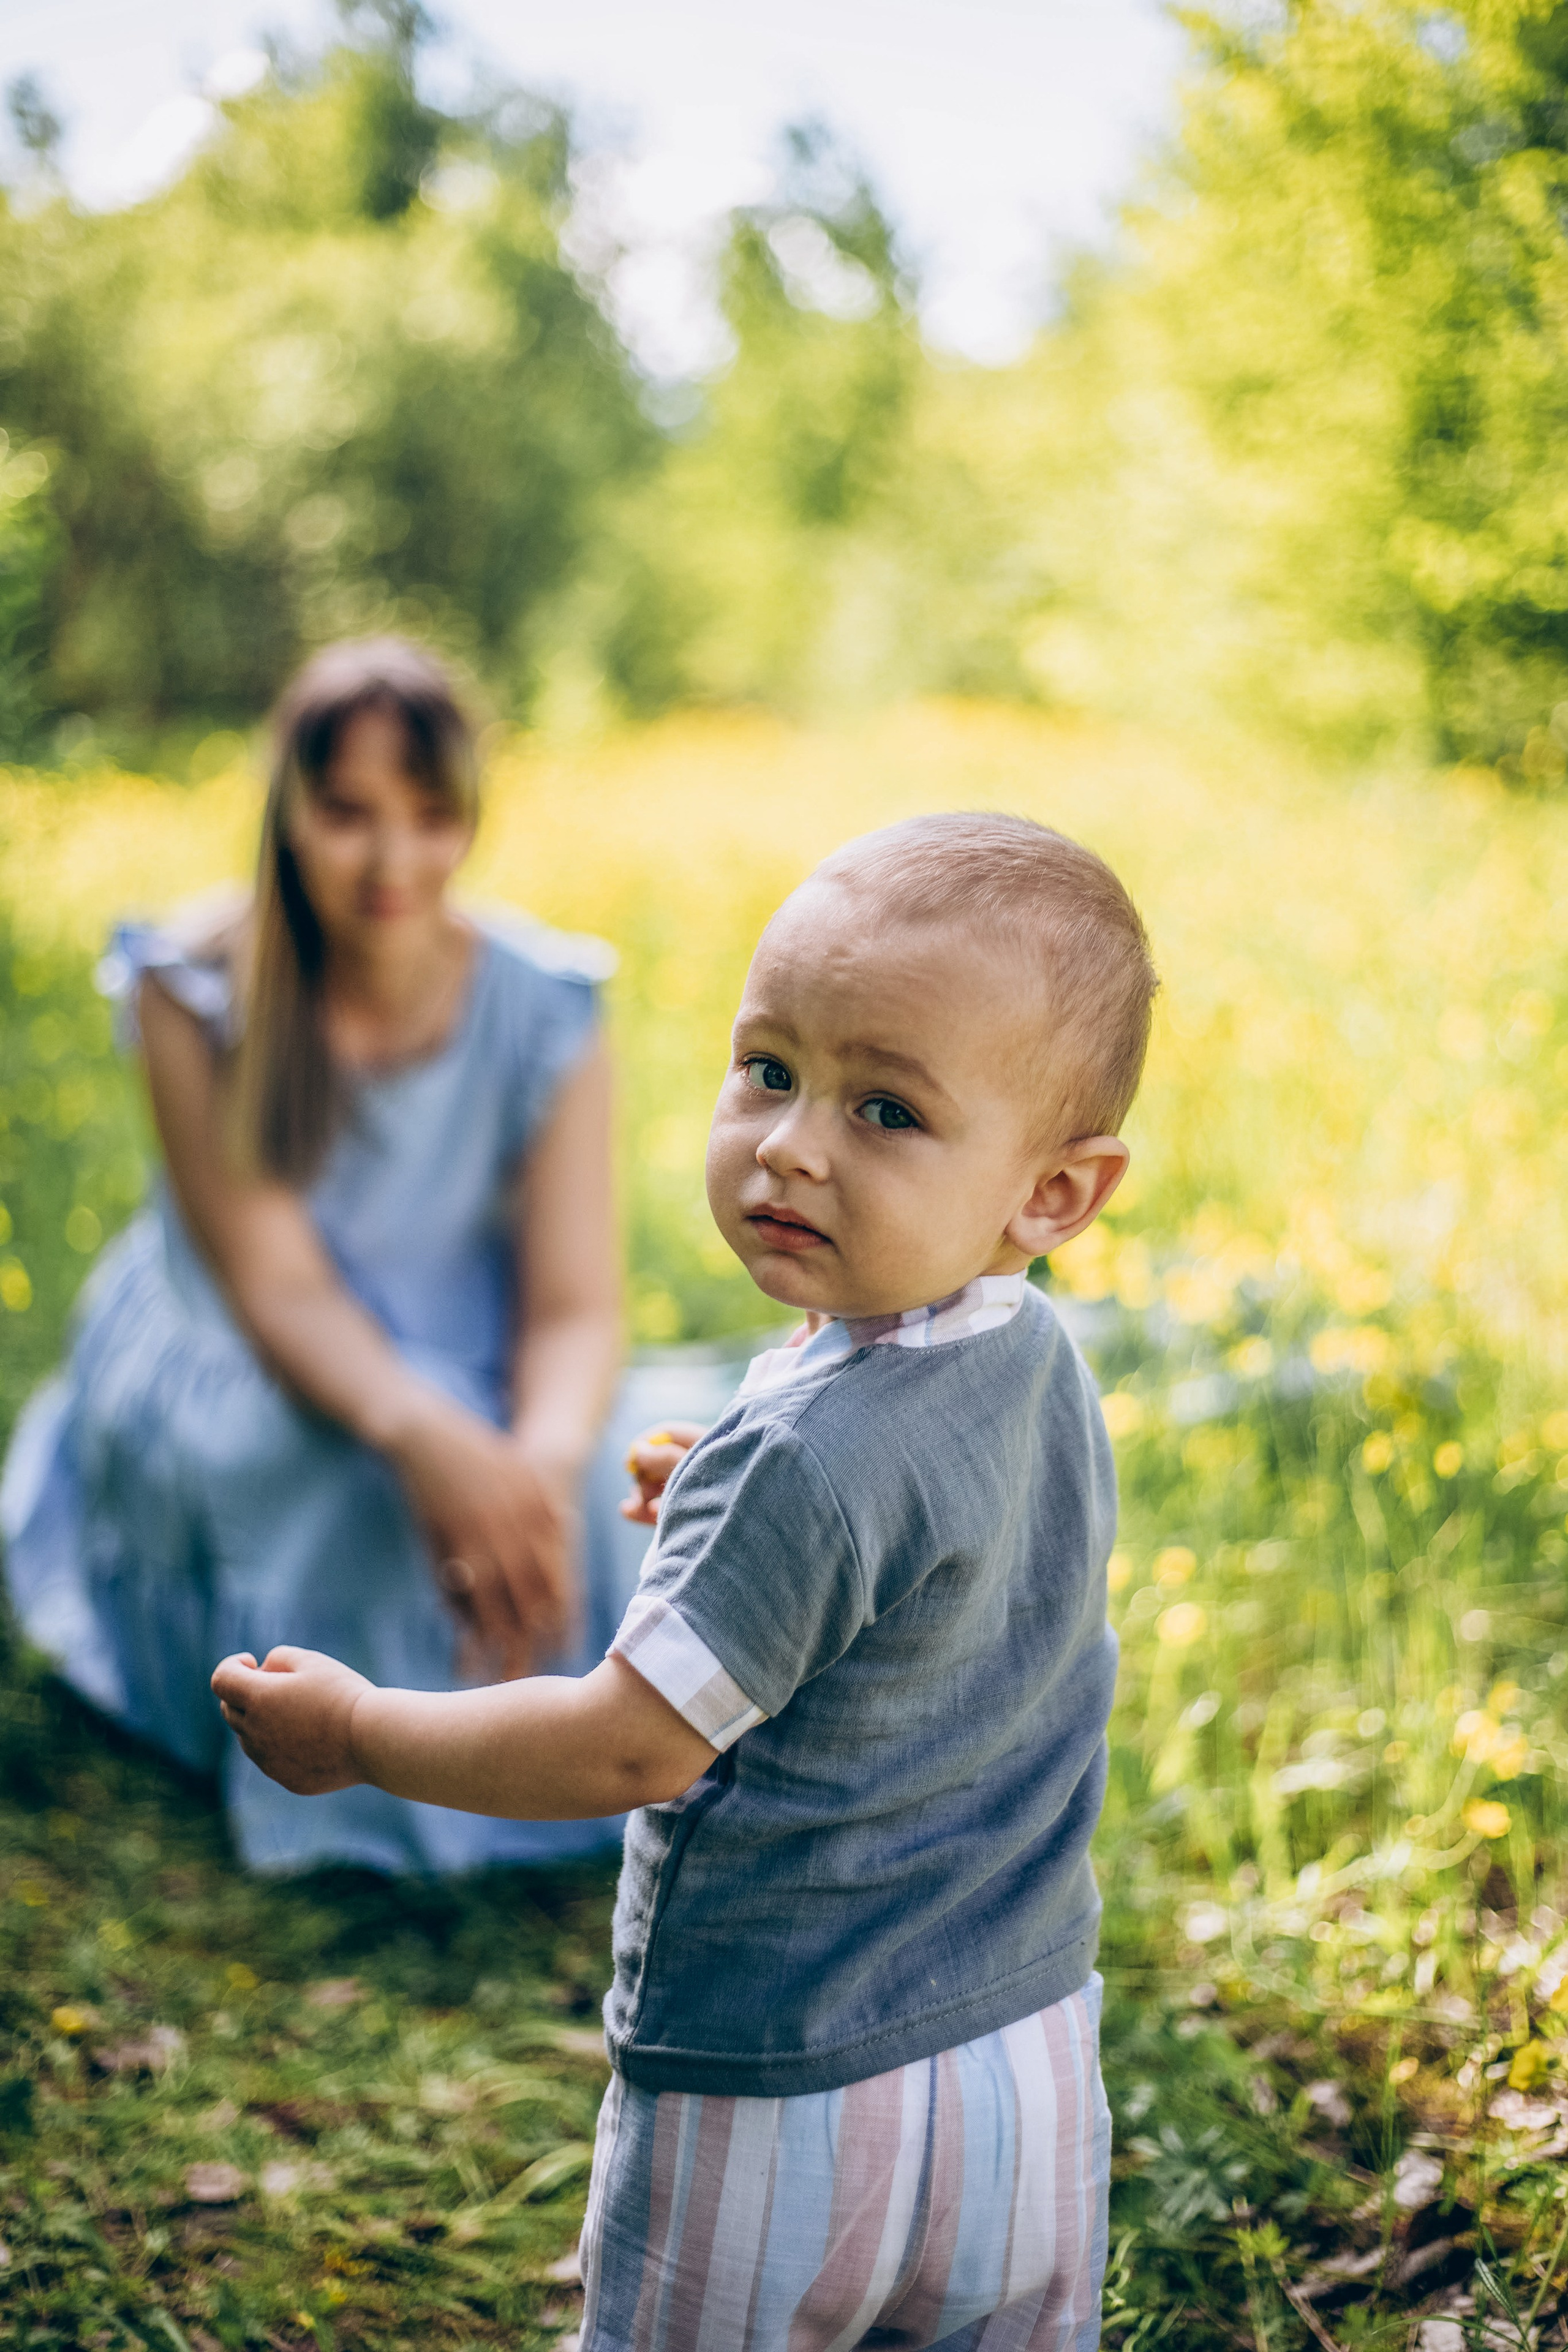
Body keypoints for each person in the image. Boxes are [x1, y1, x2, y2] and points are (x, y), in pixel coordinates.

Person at [209, 810, 1158, 2347]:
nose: (790, 1143)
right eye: (769, 1070)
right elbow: (939, 1584)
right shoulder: (1035, 1356)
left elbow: (628, 1743)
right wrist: (729, 1510)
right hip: (1023, 2056)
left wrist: (364, 1733)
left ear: (1050, 1191)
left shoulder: (806, 1457)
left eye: (885, 1112)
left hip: (782, 2079)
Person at [0, 635, 714, 1877]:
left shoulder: (545, 1002)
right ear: (288, 809)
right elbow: (274, 1286)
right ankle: (332, 1767)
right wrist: (424, 1436)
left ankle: (534, 1763)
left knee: (606, 1482)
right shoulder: (194, 988)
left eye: (431, 818)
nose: (393, 861)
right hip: (254, 1341)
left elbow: (573, 1304)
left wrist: (529, 1470)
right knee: (324, 1483)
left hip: (480, 1338)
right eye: (347, 814)